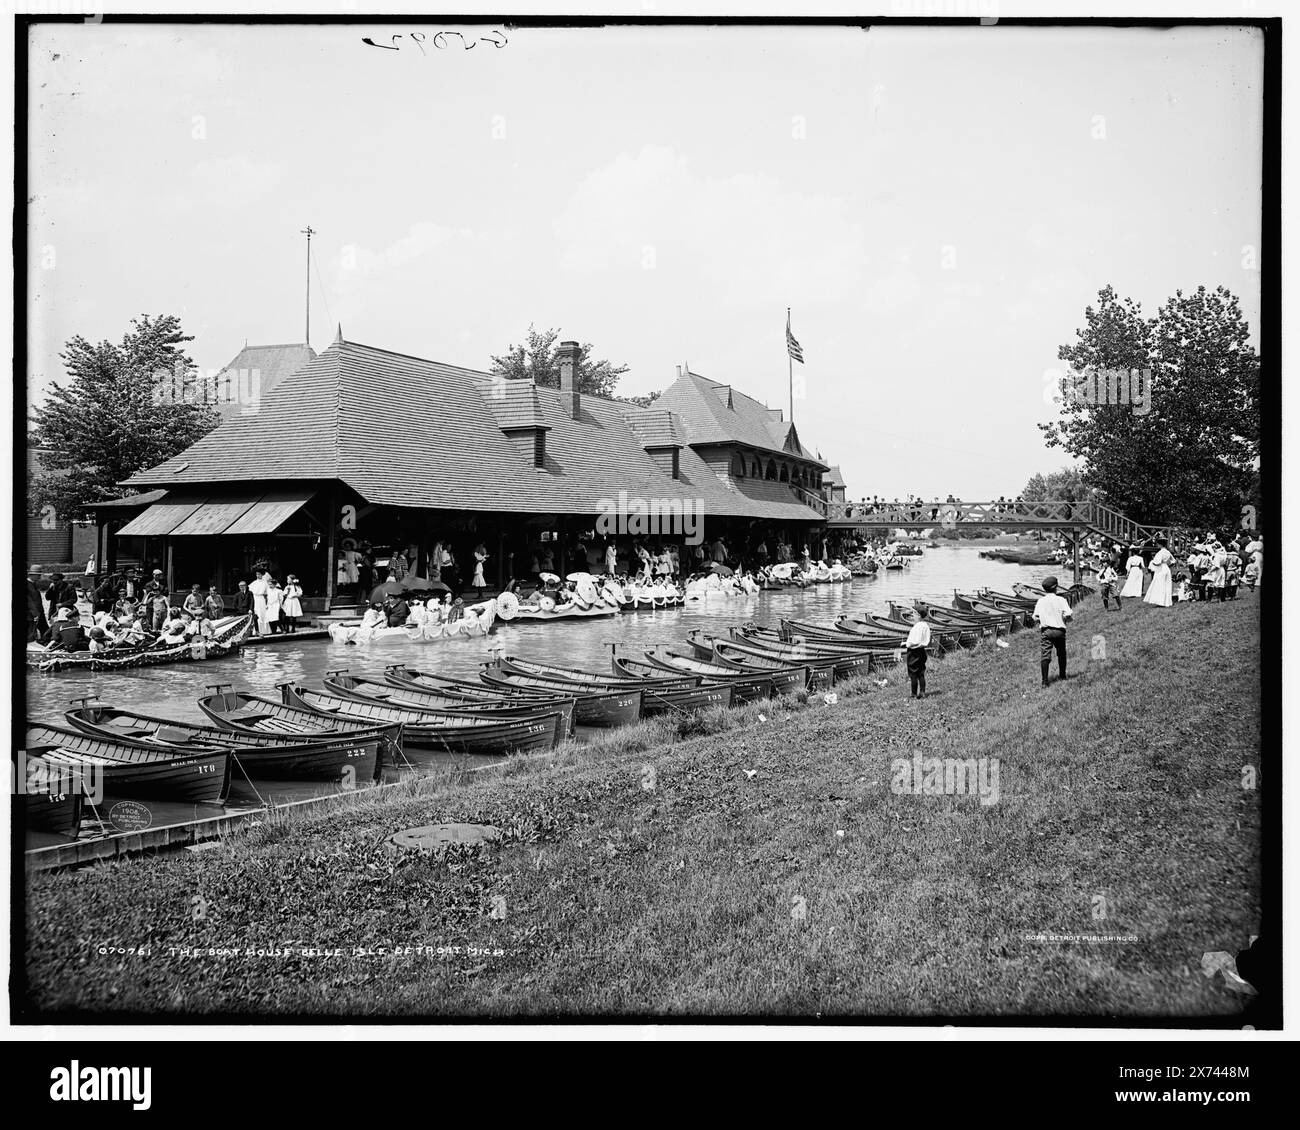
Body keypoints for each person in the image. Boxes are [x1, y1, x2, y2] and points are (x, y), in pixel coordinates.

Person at [1032, 576, 1073, 686]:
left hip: (1046, 631)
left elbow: (1035, 617)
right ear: (1056, 587)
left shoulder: (1041, 601)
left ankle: (1044, 681)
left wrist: (1041, 621)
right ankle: (1062, 675)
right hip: (1059, 630)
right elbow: (1068, 613)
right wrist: (1066, 618)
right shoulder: (1061, 600)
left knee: (1045, 655)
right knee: (1061, 653)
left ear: (1045, 589)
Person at [904, 606, 931, 699]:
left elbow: (914, 641)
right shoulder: (926, 625)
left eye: (914, 614)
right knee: (921, 673)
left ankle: (913, 694)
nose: (912, 616)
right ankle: (922, 692)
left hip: (914, 652)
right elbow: (925, 640)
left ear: (918, 615)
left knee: (913, 674)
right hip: (922, 651)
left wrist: (906, 644)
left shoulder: (917, 627)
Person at [1144, 537, 1175, 607]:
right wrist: (1168, 564)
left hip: (1161, 568)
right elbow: (1173, 561)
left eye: (1158, 544)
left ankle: (1160, 601)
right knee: (1166, 584)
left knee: (1160, 584)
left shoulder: (1160, 553)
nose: (1157, 545)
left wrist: (1153, 563)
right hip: (1166, 568)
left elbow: (1157, 562)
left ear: (1160, 544)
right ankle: (1166, 601)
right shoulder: (1168, 552)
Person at [26, 567, 48, 643]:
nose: (39, 577)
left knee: (45, 631)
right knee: (31, 634)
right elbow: (29, 602)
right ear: (32, 575)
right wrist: (35, 614)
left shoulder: (34, 584)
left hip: (39, 613)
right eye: (38, 575)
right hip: (32, 615)